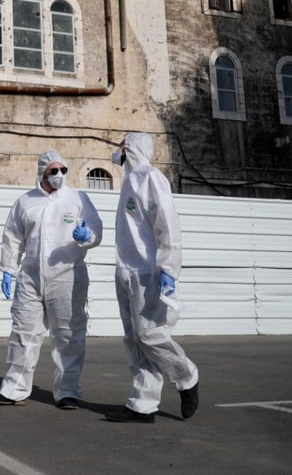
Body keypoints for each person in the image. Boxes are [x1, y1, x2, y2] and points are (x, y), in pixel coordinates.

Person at [0, 150, 104, 410]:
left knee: (69, 337)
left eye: (63, 170)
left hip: (68, 276)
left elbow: (96, 230)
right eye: (53, 170)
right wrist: (8, 269)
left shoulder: (78, 199)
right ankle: (14, 389)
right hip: (30, 277)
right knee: (23, 334)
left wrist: (87, 236)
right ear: (42, 172)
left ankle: (68, 392)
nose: (59, 175)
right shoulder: (26, 202)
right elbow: (13, 238)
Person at [106, 132, 200, 423]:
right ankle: (143, 404)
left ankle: (187, 376)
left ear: (132, 149)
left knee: (150, 335)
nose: (118, 151)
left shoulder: (150, 177)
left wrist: (169, 269)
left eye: (123, 146)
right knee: (135, 340)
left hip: (148, 272)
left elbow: (168, 226)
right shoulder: (128, 181)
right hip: (126, 270)